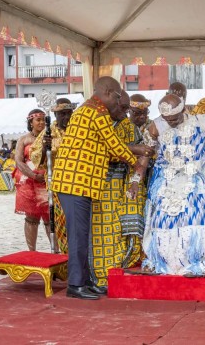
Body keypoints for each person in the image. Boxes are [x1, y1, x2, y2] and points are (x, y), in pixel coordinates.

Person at [51, 76, 144, 300]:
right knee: (78, 236)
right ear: (110, 93)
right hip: (75, 184)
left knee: (82, 235)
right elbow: (114, 144)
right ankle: (75, 285)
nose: (119, 102)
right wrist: (138, 161)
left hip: (77, 184)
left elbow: (107, 148)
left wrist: (137, 152)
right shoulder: (96, 111)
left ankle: (85, 282)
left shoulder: (86, 110)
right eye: (119, 97)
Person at [141, 94, 205, 276]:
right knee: (162, 215)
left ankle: (200, 261)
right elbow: (145, 155)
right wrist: (135, 180)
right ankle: (165, 263)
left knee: (201, 210)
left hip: (200, 176)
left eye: (174, 119)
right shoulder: (156, 126)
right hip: (168, 179)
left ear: (183, 110)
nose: (170, 123)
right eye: (166, 119)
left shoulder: (203, 124)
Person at [89, 92, 150, 290]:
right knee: (94, 233)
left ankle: (113, 274)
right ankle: (95, 276)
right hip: (94, 185)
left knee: (116, 232)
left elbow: (141, 161)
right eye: (123, 108)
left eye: (126, 109)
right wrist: (135, 150)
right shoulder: (97, 122)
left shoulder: (131, 129)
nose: (124, 113)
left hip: (119, 186)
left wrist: (134, 180)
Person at [30, 98, 76, 254]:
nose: (67, 117)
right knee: (62, 221)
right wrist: (45, 147)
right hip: (58, 184)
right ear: (55, 114)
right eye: (62, 114)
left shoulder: (78, 130)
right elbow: (36, 158)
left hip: (78, 182)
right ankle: (65, 255)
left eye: (69, 113)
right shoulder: (48, 132)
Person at [14, 109, 50, 251]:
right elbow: (19, 161)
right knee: (31, 218)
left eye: (43, 120)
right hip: (28, 182)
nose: (41, 123)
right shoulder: (24, 139)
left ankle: (56, 251)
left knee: (49, 217)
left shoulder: (50, 137)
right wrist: (33, 175)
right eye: (38, 120)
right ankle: (32, 251)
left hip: (47, 181)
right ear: (31, 122)